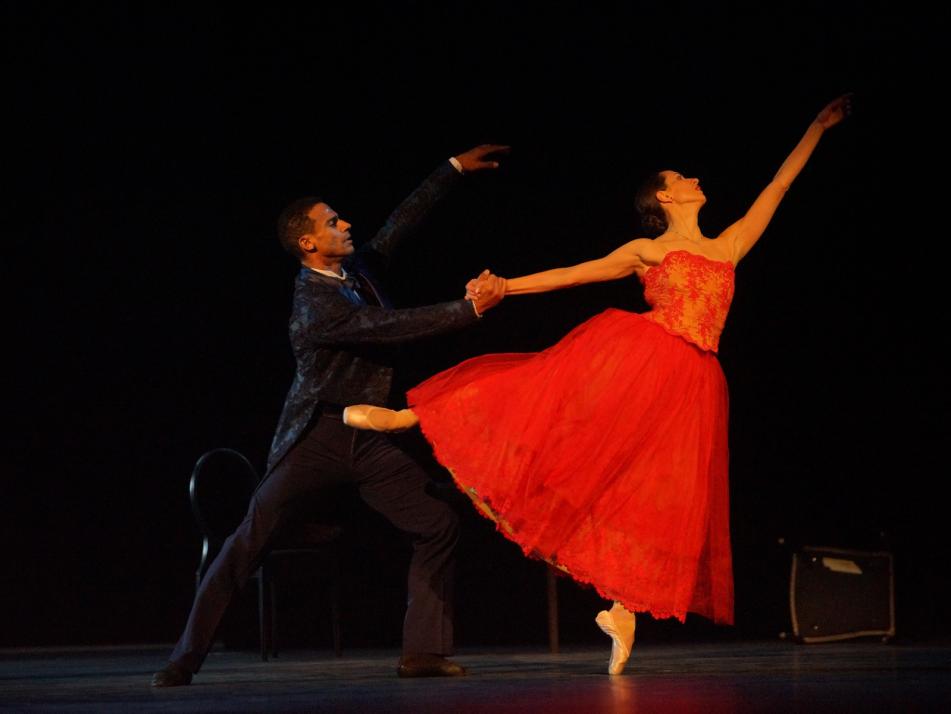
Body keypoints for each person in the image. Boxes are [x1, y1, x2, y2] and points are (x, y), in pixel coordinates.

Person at [343, 97, 852, 675]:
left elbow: (779, 188)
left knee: (650, 490)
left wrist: (816, 127)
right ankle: (414, 416)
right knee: (541, 392)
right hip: (643, 356)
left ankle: (622, 607)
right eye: (683, 177)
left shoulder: (729, 244)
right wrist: (506, 286)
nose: (696, 179)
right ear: (664, 196)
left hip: (695, 381)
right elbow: (572, 273)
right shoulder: (648, 251)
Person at [151, 144, 509, 687]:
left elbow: (400, 223)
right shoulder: (313, 305)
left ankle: (423, 653)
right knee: (249, 540)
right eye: (333, 222)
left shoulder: (357, 272)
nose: (346, 225)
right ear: (307, 242)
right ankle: (184, 658)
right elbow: (387, 329)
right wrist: (469, 309)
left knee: (436, 523)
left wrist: (451, 169)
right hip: (318, 435)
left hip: (367, 436)